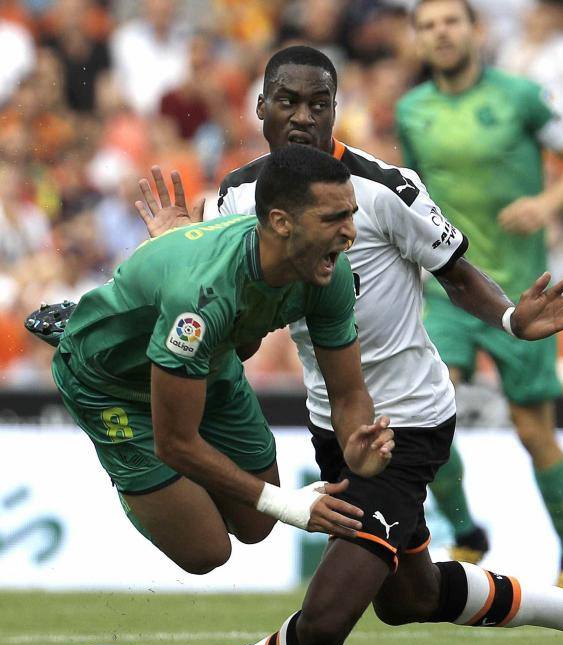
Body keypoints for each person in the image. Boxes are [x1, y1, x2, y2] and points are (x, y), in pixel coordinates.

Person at [129, 47, 563, 645]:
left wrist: (510, 318)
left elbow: (457, 273)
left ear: (336, 110)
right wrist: (183, 248)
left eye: (319, 103)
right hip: (333, 426)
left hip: (403, 424)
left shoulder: (381, 189)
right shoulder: (234, 198)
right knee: (410, 598)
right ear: (259, 108)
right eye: (287, 101)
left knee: (321, 626)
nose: (302, 116)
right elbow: (231, 307)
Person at [37, 145, 397, 575]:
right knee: (207, 551)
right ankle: (94, 341)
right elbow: (175, 442)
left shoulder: (329, 271)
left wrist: (358, 445)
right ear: (281, 222)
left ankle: (131, 316)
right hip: (107, 382)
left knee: (257, 523)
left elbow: (348, 391)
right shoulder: (201, 296)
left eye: (351, 214)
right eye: (333, 219)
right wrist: (287, 504)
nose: (350, 233)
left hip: (207, 359)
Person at [396, 0, 563, 590]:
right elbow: (411, 193)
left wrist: (546, 205)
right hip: (451, 291)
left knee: (533, 430)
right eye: (427, 25)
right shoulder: (412, 110)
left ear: (475, 30)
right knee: (420, 412)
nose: (440, 33)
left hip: (527, 295)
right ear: (417, 39)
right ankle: (466, 531)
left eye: (451, 21)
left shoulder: (522, 96)